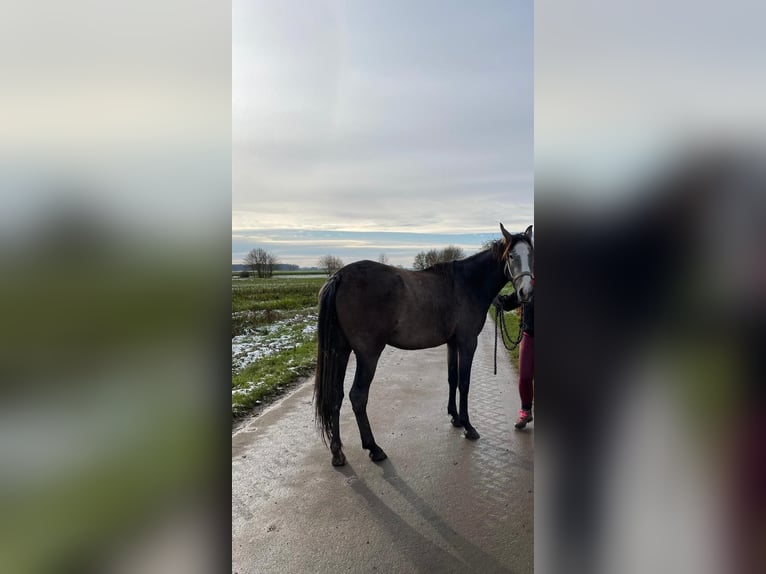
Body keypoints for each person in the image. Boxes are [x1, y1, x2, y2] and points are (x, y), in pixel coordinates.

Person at [496, 289, 534, 429]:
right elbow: (507, 303)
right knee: (524, 376)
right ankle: (526, 411)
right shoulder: (527, 286)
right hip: (529, 335)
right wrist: (495, 295)